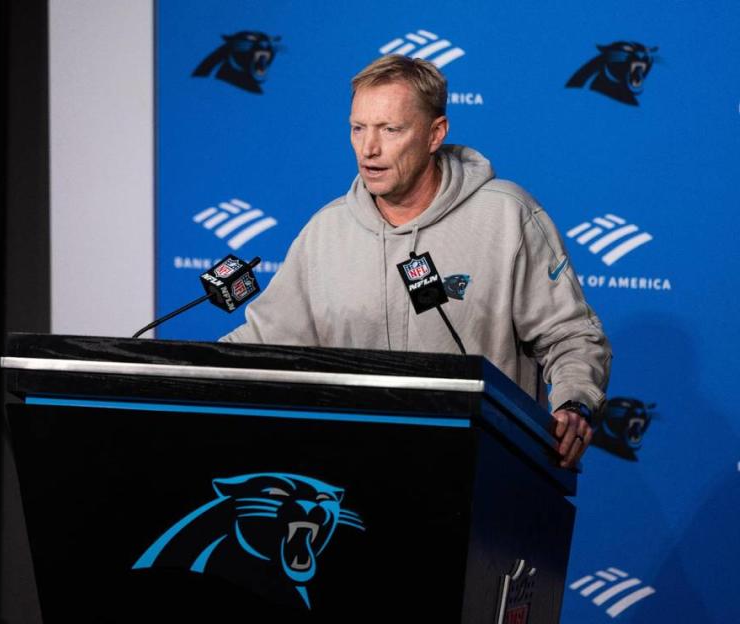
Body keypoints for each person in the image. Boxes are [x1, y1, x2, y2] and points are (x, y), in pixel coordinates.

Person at [222, 55, 610, 469]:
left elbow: (571, 336)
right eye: (358, 129)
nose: (369, 149)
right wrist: (160, 373)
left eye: (390, 130)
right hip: (353, 472)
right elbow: (262, 344)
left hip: (482, 472)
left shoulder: (507, 217)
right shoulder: (326, 232)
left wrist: (575, 403)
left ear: (434, 133)